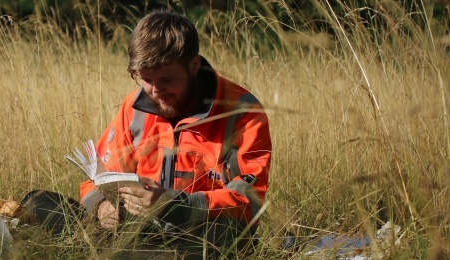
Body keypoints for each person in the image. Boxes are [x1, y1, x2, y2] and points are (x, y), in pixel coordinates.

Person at [21, 10, 272, 257]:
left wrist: (172, 204)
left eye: (166, 79)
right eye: (145, 79)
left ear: (194, 65)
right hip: (136, 230)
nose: (154, 91)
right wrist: (102, 207)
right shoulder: (135, 107)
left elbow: (248, 201)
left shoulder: (242, 112)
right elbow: (93, 179)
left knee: (228, 235)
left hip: (201, 233)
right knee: (37, 202)